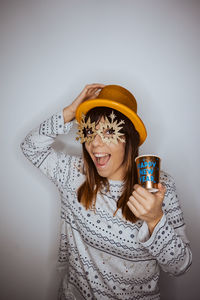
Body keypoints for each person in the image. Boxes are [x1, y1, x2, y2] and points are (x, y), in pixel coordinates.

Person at [20, 84, 192, 300]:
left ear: (129, 138)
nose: (95, 143)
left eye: (109, 131)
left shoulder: (158, 186)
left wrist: (155, 220)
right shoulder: (73, 174)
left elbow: (180, 266)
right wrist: (71, 111)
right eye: (89, 132)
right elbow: (30, 147)